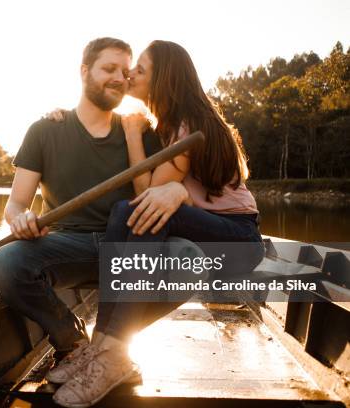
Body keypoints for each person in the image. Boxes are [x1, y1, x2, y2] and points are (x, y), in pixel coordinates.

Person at [52, 40, 265, 408]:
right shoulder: (170, 124)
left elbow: (146, 189)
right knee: (125, 213)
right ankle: (103, 345)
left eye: (141, 69)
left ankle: (114, 350)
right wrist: (61, 118)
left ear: (163, 78)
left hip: (239, 239)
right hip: (209, 229)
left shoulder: (191, 126)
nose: (130, 74)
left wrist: (134, 136)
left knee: (135, 210)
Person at [0, 37, 189, 379]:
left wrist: (176, 191)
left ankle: (115, 345)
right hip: (68, 248)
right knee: (5, 264)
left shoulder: (140, 131)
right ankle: (74, 343)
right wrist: (20, 219)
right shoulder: (45, 130)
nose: (119, 78)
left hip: (128, 247)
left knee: (192, 258)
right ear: (84, 71)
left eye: (125, 72)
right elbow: (16, 202)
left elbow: (168, 182)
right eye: (109, 69)